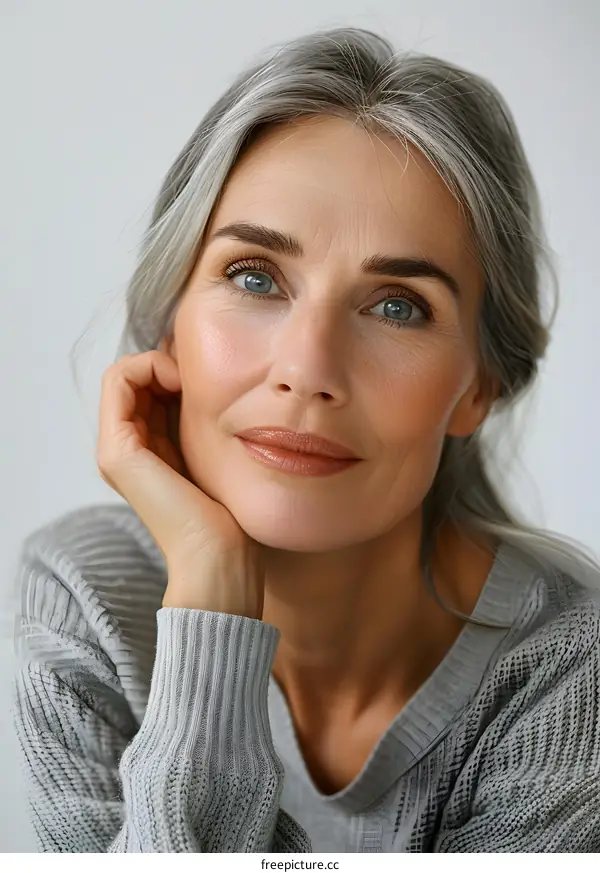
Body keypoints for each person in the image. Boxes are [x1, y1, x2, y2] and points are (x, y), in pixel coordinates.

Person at [12, 25, 600, 853]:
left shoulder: (569, 664)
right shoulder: (87, 600)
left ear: (479, 386)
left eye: (397, 304)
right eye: (255, 278)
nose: (308, 367)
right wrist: (211, 593)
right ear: (168, 330)